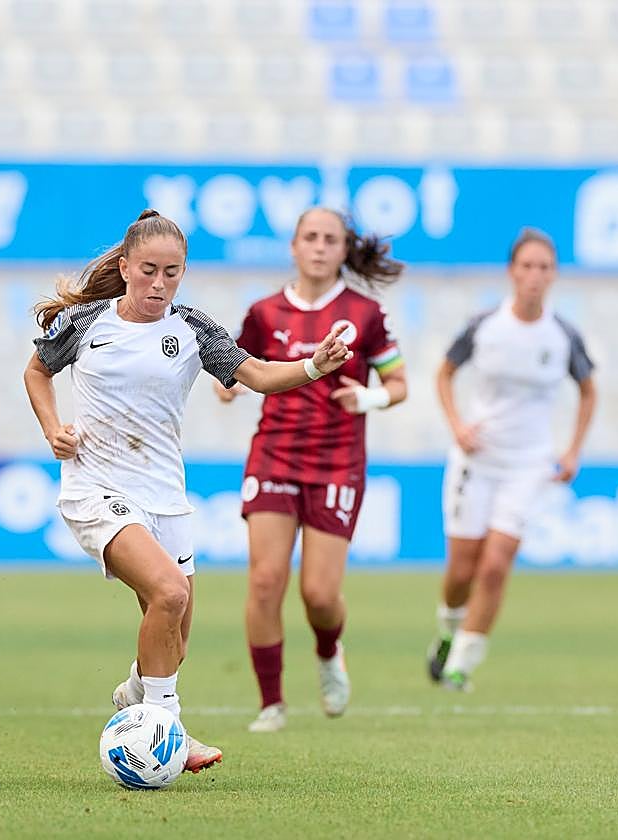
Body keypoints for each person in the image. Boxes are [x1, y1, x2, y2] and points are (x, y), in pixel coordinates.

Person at [22, 209, 353, 773]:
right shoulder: (85, 324)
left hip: (165, 496)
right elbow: (36, 372)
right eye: (148, 270)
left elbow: (257, 375)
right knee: (170, 593)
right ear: (125, 267)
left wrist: (313, 367)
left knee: (176, 635)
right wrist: (54, 428)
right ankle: (165, 726)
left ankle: (136, 695)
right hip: (97, 488)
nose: (158, 284)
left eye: (171, 273)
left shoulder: (192, 329)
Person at [215, 207, 407, 732]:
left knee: (319, 595)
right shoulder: (263, 312)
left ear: (344, 250)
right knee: (264, 582)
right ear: (294, 246)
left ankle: (328, 651)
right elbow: (232, 367)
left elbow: (399, 385)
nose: (320, 247)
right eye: (311, 237)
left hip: (337, 462)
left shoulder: (365, 314)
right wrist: (226, 386)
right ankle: (271, 703)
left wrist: (367, 396)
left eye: (331, 239)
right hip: (274, 453)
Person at [426, 227, 595, 691]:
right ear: (512, 272)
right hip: (475, 461)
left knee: (497, 564)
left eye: (544, 267)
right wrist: (458, 425)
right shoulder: (485, 326)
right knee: (462, 571)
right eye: (527, 266)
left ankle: (462, 663)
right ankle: (446, 633)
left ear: (554, 274)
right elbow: (443, 373)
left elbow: (588, 389)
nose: (534, 276)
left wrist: (573, 449)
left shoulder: (562, 335)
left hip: (527, 464)